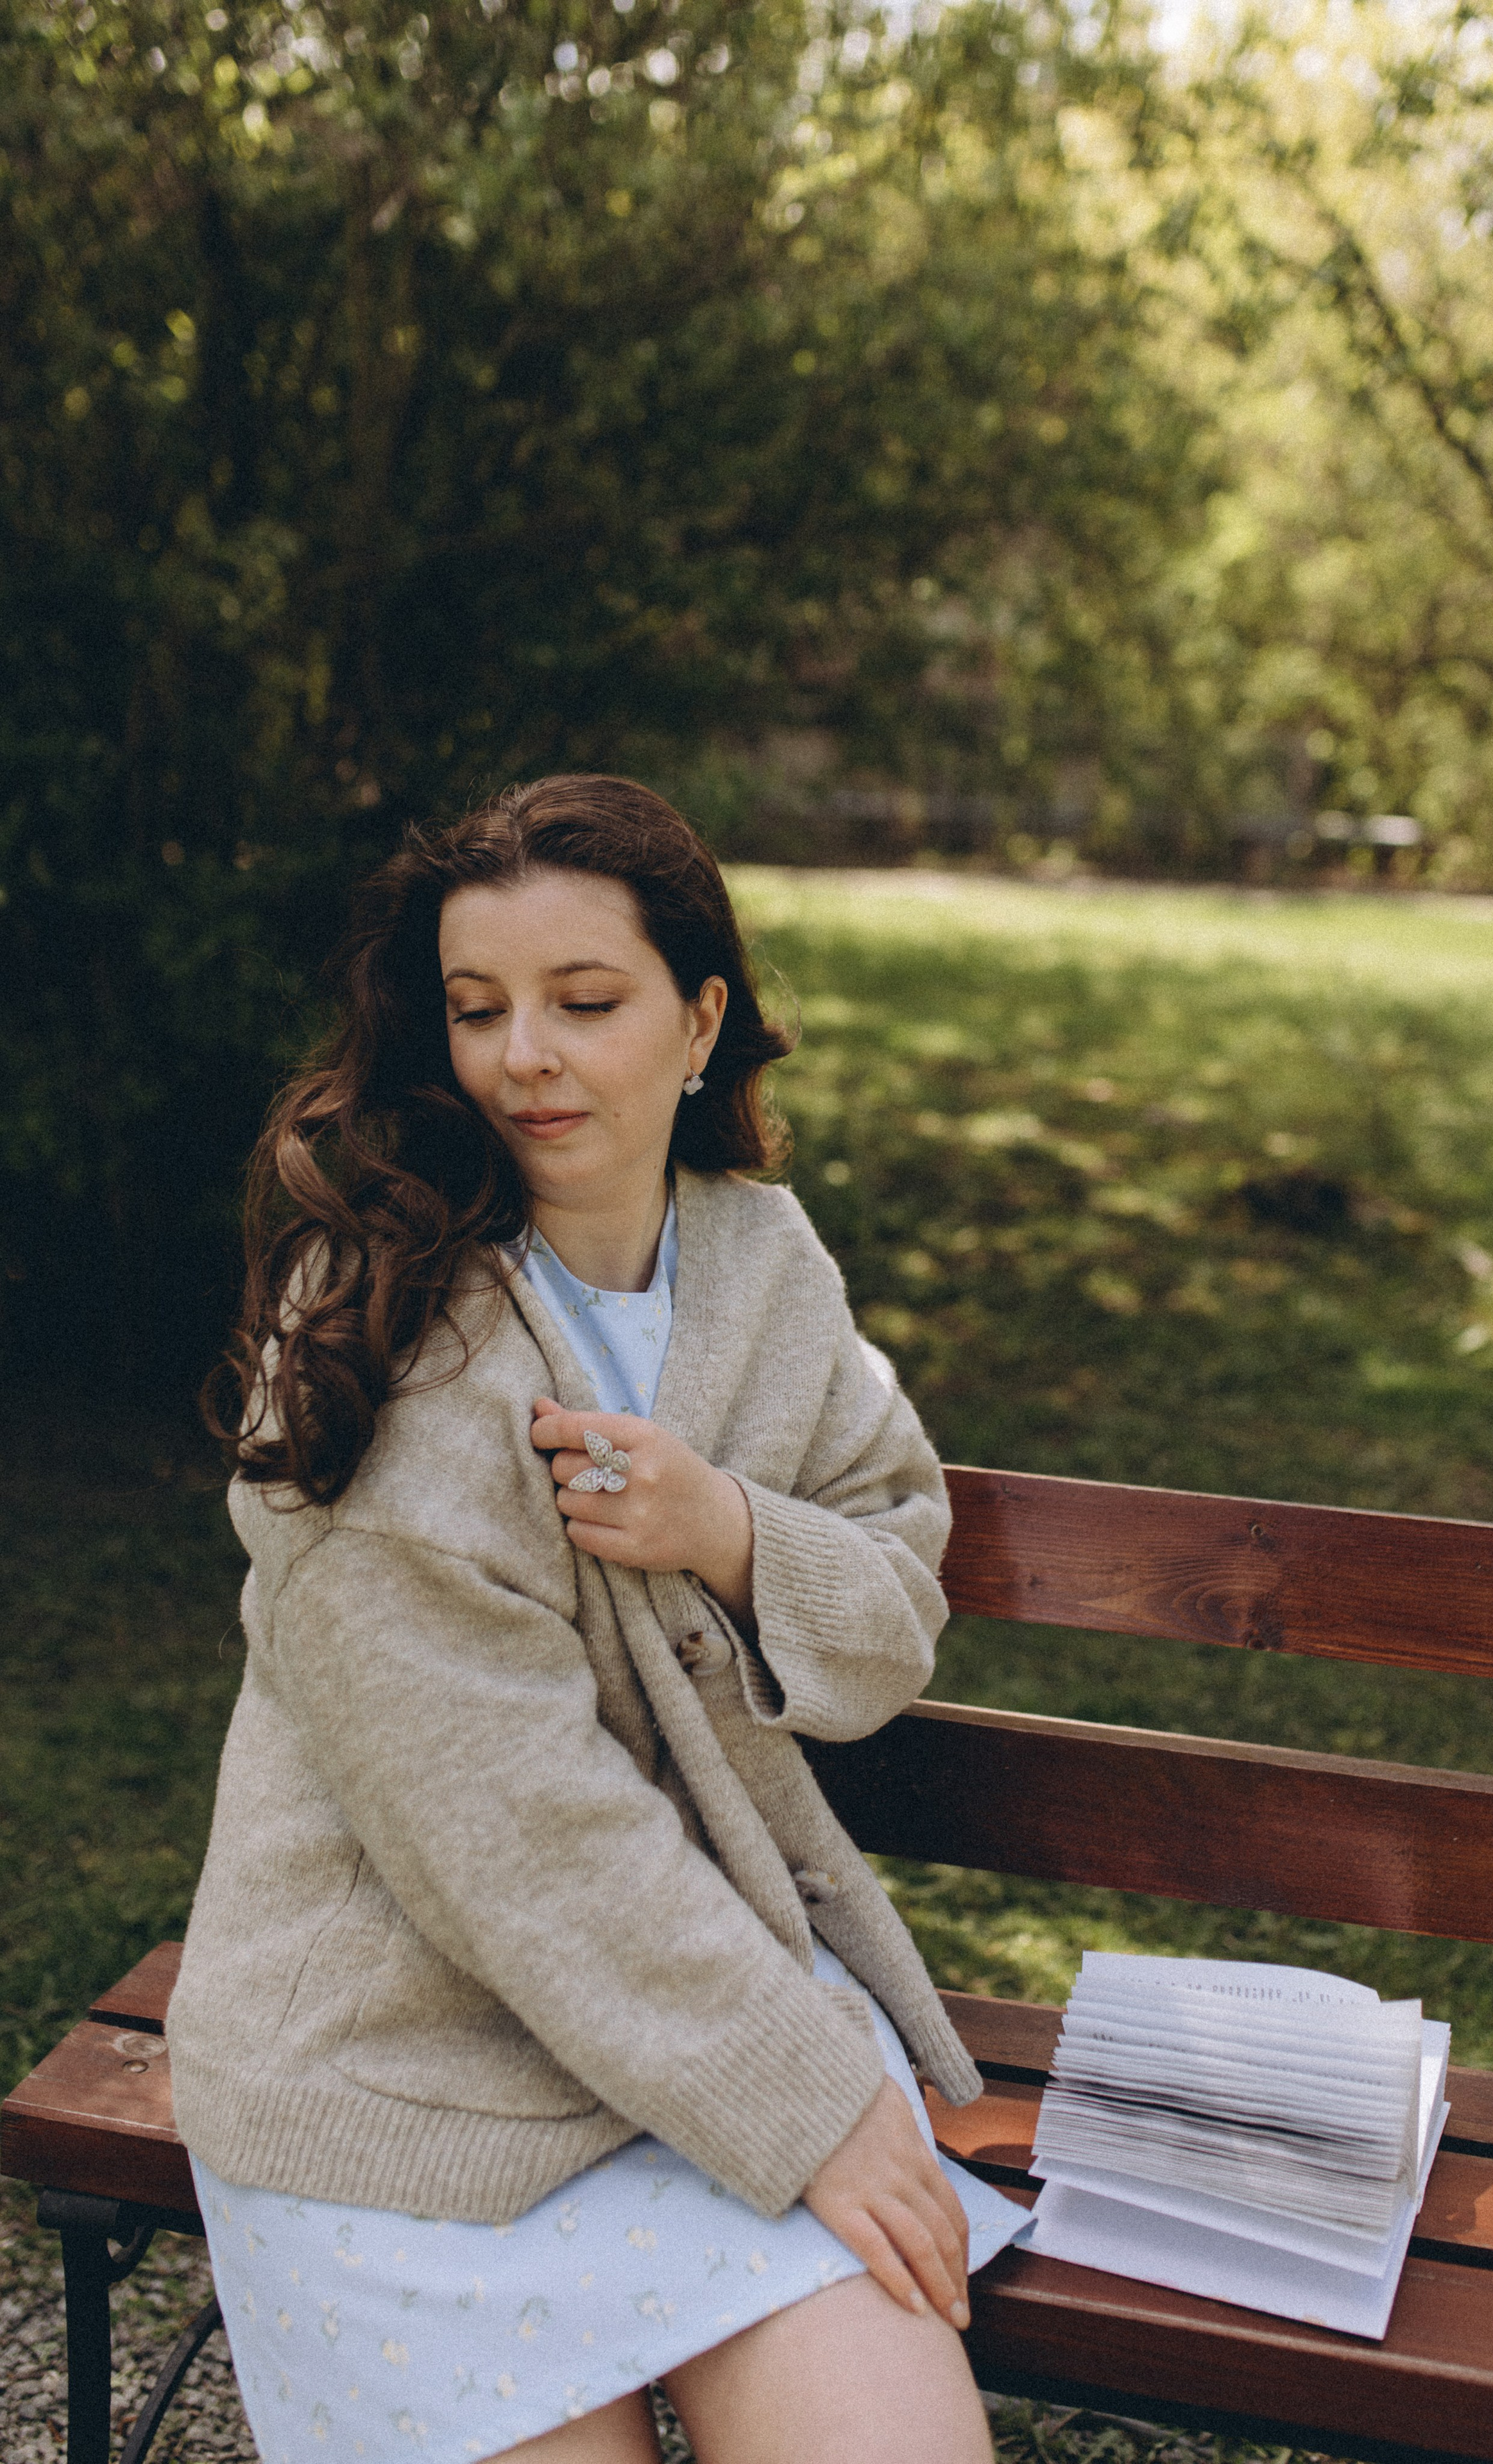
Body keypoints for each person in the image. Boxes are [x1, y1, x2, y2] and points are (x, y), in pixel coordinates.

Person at [172, 775, 1025, 2464]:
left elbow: (893, 1579)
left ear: (701, 1020)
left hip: (695, 2010)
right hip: (403, 2071)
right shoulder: (378, 1339)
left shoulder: (762, 1264)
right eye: (477, 1010)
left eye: (587, 1002)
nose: (525, 1060)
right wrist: (811, 2105)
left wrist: (727, 1531)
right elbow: (509, 1827)